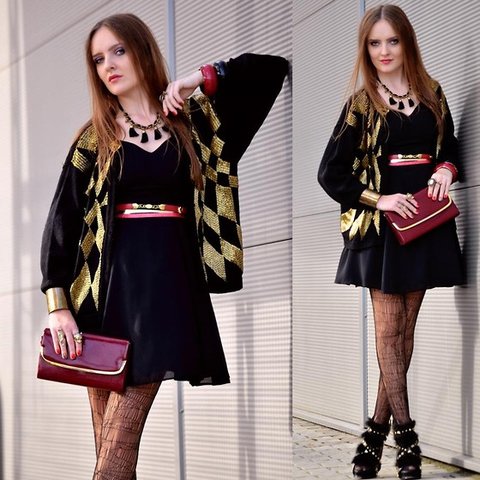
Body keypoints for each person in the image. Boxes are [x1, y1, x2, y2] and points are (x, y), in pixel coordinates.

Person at [40, 13, 288, 480]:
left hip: (169, 292)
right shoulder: (95, 139)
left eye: (118, 50)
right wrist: (58, 305)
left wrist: (199, 79)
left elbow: (270, 70)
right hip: (103, 298)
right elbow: (62, 222)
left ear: (142, 50)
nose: (109, 65)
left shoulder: (195, 123)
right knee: (111, 451)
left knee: (117, 449)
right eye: (98, 59)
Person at [318, 4, 463, 480]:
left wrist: (446, 169)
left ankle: (373, 436)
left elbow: (449, 147)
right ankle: (407, 438)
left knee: (403, 334)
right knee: (387, 333)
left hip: (425, 222)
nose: (384, 51)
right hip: (382, 232)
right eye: (375, 42)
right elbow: (330, 173)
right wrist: (379, 200)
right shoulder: (361, 104)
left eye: (392, 41)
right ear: (366, 48)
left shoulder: (432, 92)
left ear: (407, 43)